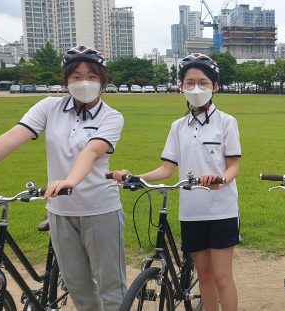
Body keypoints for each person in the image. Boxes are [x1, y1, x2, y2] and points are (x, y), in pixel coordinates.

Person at [0, 45, 127, 310]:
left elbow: (92, 152)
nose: (84, 82)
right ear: (66, 80)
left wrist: (70, 180)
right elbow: (13, 137)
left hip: (100, 209)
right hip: (59, 210)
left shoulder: (112, 117)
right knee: (78, 287)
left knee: (111, 287)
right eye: (76, 76)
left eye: (92, 76)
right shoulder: (50, 107)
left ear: (104, 81)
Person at [109, 53, 241, 311]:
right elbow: (167, 169)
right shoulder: (177, 126)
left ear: (215, 86)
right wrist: (134, 177)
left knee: (222, 276)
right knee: (203, 275)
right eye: (189, 82)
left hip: (221, 209)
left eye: (203, 82)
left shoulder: (226, 122)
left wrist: (221, 180)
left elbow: (233, 165)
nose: (196, 88)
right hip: (191, 212)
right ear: (181, 86)